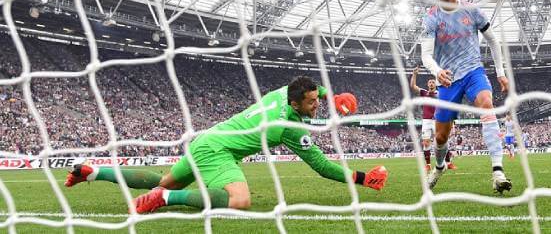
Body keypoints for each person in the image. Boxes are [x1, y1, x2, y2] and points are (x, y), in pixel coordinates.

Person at [65, 76, 388, 213]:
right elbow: (322, 166)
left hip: (208, 138)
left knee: (163, 177)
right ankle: (167, 198)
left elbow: (312, 87)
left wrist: (333, 96)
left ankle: (94, 171)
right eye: (311, 103)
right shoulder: (288, 127)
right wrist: (362, 178)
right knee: (240, 201)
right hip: (218, 150)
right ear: (295, 103)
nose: (316, 105)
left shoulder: (283, 91)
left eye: (317, 100)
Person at [421, 0, 511, 194]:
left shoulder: (471, 10)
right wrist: (438, 71)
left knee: (486, 104)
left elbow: (492, 40)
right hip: (448, 80)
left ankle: (498, 172)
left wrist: (500, 72)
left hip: (473, 72)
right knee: (441, 136)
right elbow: (425, 55)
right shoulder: (432, 16)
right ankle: (439, 167)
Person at [411, 67, 457, 170]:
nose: (431, 83)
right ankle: (427, 165)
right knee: (426, 142)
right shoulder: (424, 92)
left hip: (437, 120)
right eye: (430, 82)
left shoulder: (440, 94)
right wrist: (414, 74)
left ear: (435, 84)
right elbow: (413, 86)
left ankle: (448, 162)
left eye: (433, 82)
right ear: (428, 85)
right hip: (426, 121)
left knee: (442, 141)